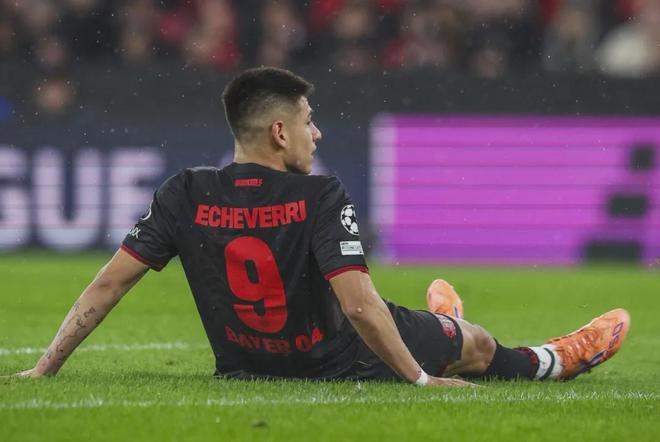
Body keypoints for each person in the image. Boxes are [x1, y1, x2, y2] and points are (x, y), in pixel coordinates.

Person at [16, 67, 630, 386]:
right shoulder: (319, 194)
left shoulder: (184, 192)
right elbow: (360, 307)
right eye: (309, 120)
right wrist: (419, 380)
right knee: (478, 346)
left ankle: (443, 324)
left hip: (249, 366)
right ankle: (555, 359)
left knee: (435, 329)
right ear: (279, 132)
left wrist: (46, 368)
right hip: (343, 360)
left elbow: (109, 284)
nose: (318, 132)